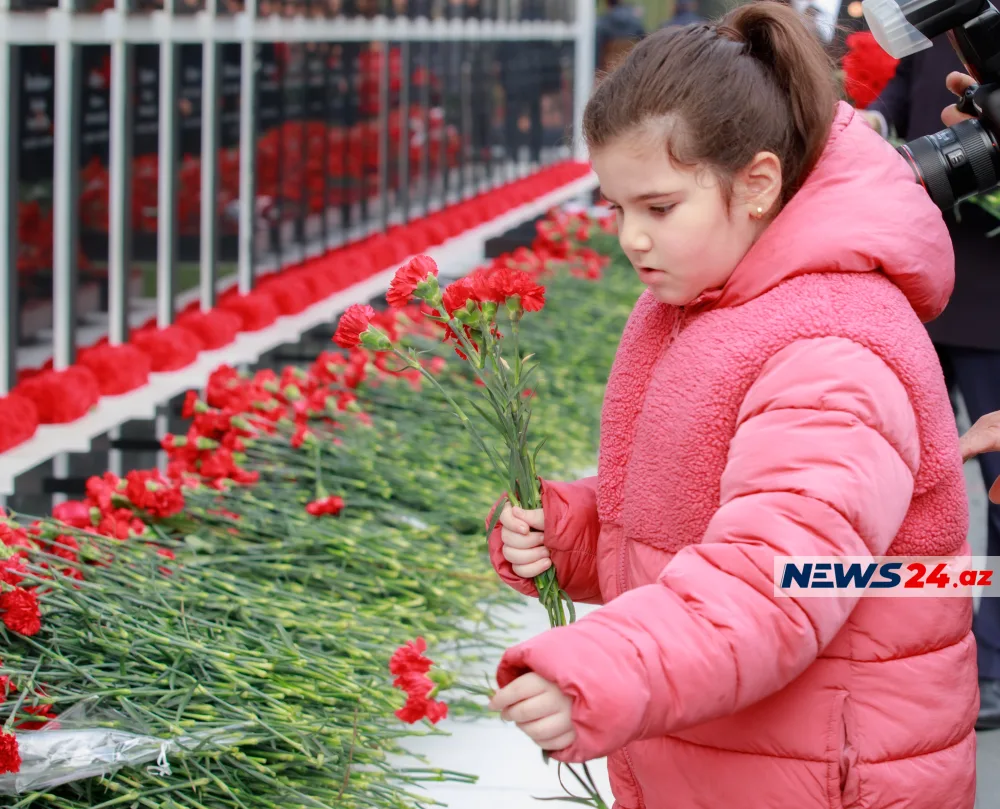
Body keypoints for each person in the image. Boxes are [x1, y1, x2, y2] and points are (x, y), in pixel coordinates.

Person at [485, 3, 978, 807]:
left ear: (756, 184)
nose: (630, 239)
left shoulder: (831, 350)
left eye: (658, 208)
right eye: (617, 209)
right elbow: (706, 512)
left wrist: (609, 665)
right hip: (740, 754)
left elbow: (773, 581)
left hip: (816, 774)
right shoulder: (714, 297)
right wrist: (582, 532)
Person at [864, 45, 1000, 731]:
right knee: (896, 488)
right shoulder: (929, 37)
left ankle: (995, 663)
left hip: (991, 309)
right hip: (914, 299)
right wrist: (872, 125)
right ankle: (898, 654)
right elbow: (897, 92)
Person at [595, 0, 646, 73]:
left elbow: (596, 53)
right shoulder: (636, 23)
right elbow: (644, 43)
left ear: (607, 4)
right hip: (632, 69)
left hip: (607, 72)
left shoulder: (601, 25)